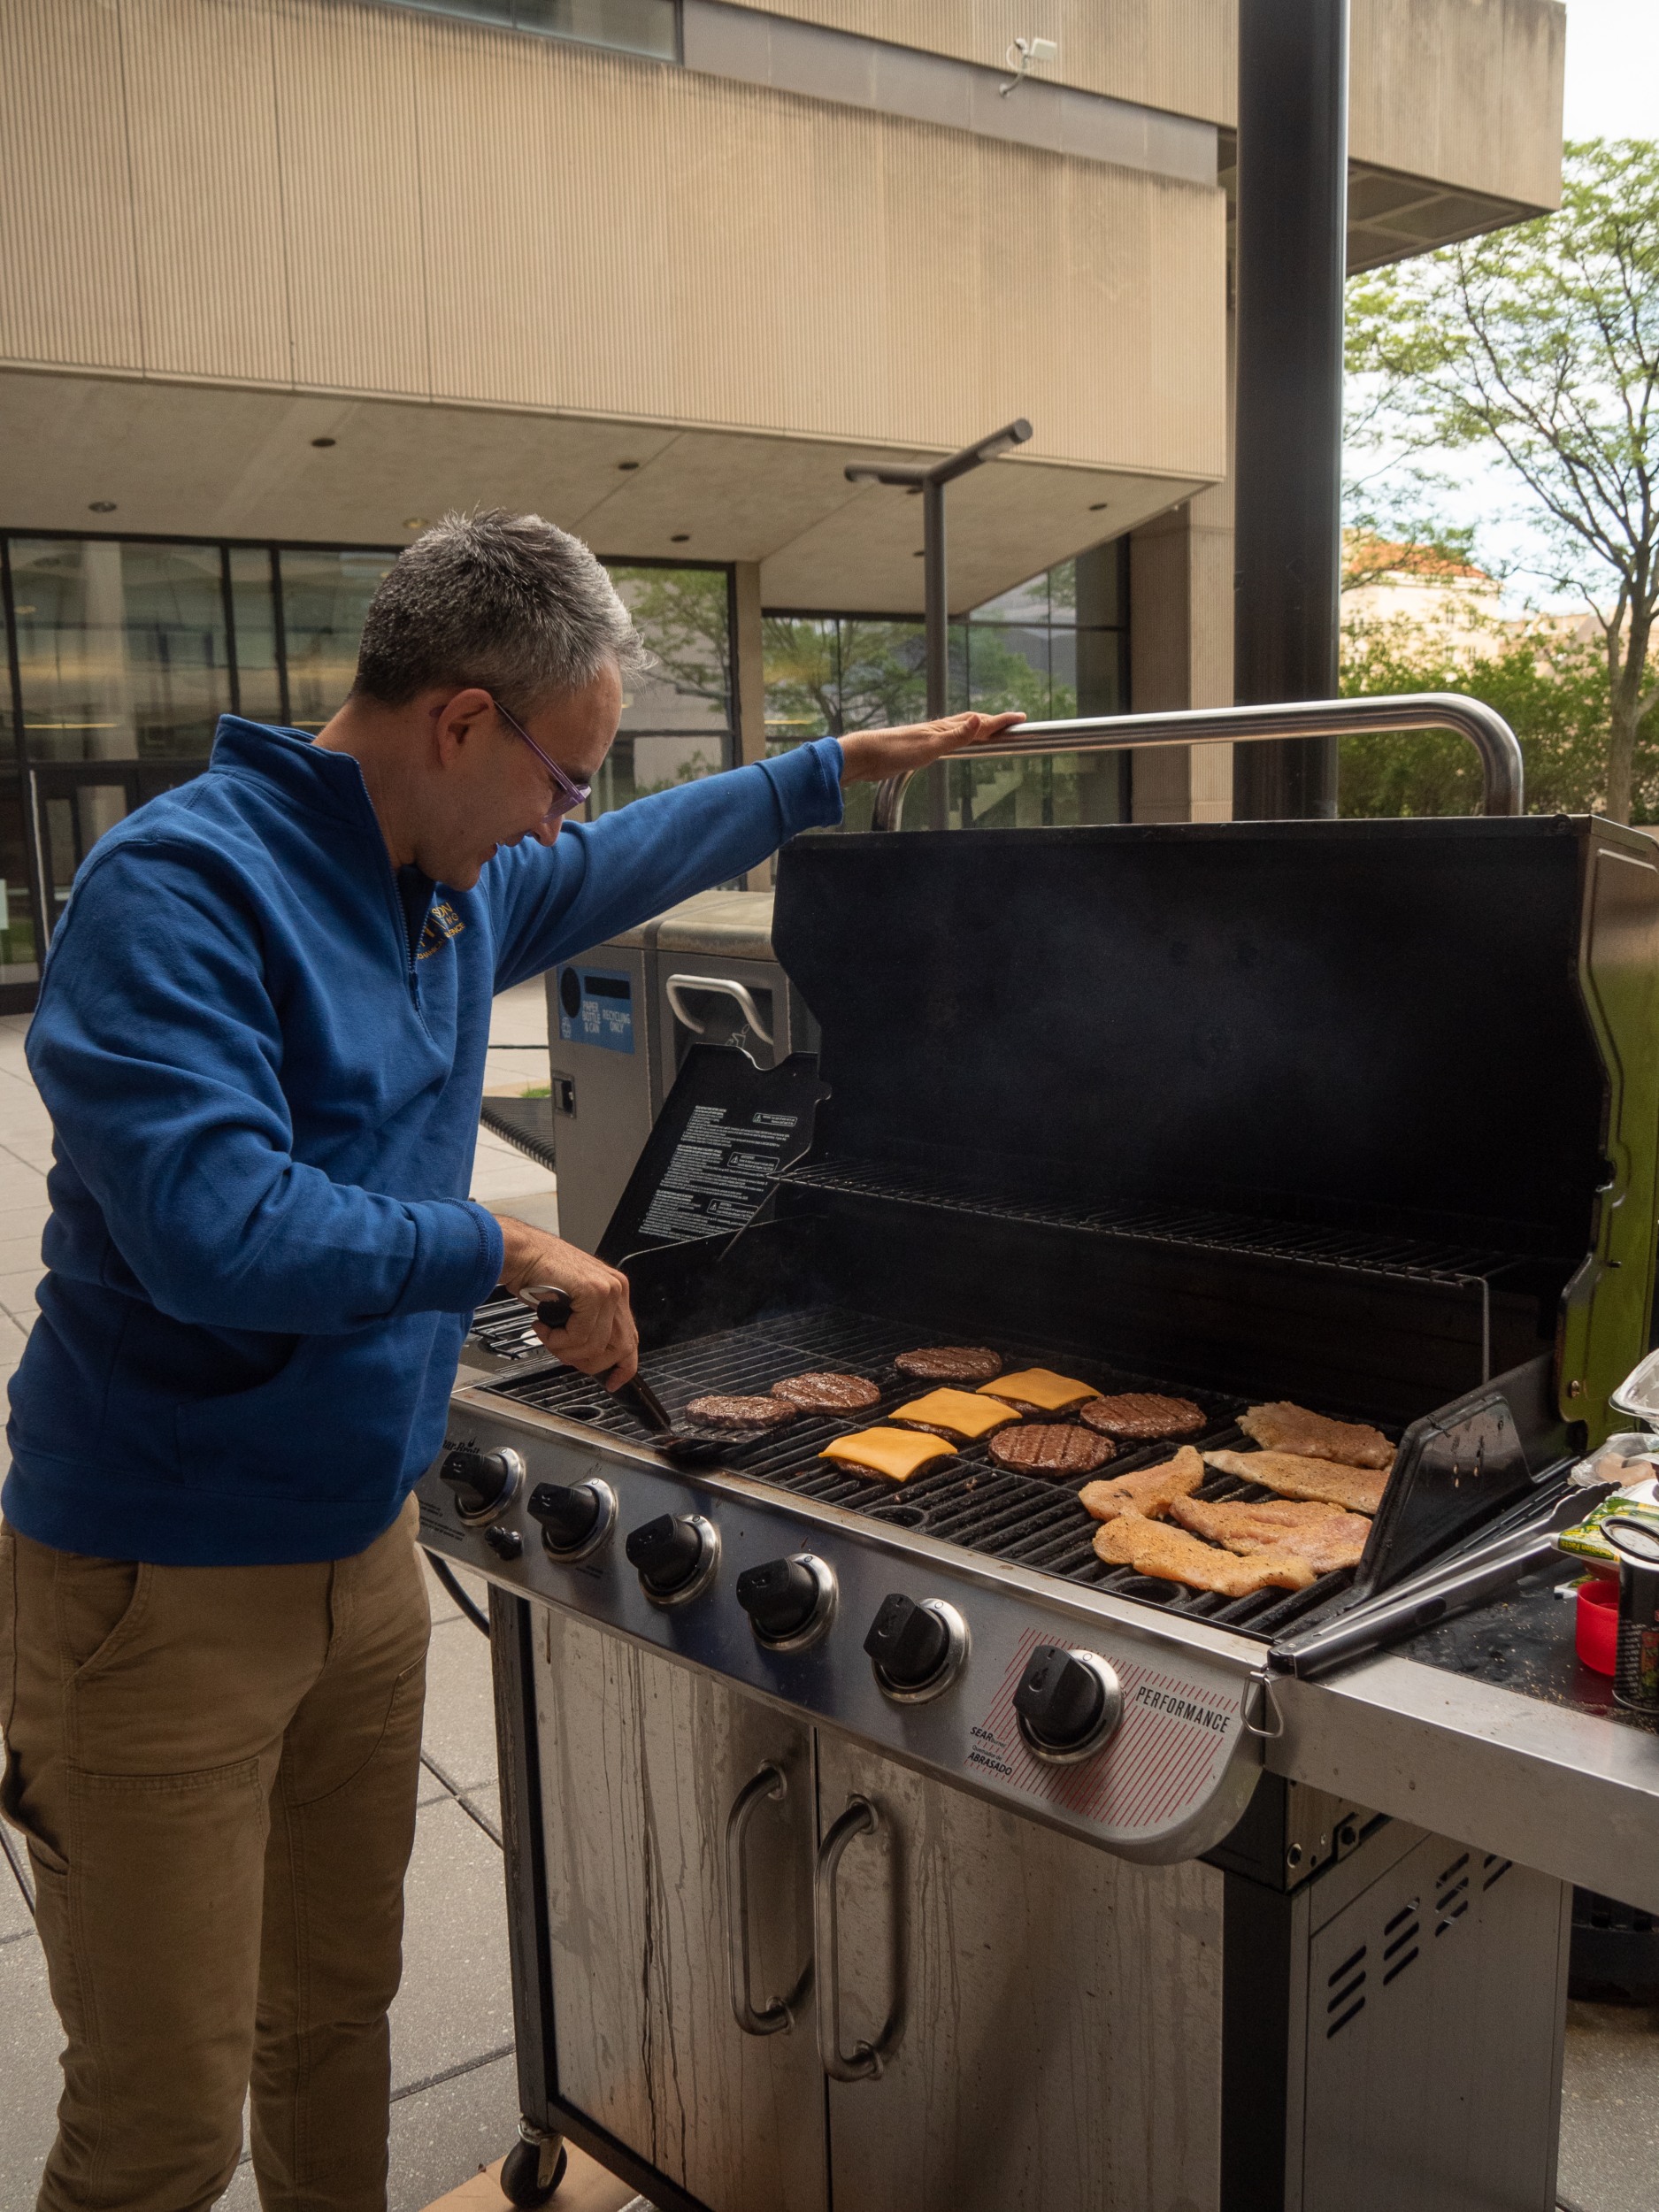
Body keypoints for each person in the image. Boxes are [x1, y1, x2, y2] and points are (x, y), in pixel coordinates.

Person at [0, 511, 1018, 2212]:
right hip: (154, 1590)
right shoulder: (181, 888)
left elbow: (630, 862)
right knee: (159, 2127)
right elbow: (210, 1224)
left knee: (334, 2025)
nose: (572, 821)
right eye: (565, 777)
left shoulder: (450, 887)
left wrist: (836, 766)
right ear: (461, 721)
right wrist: (506, 1242)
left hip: (365, 1558)